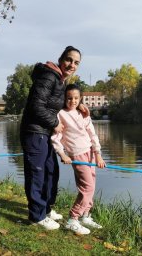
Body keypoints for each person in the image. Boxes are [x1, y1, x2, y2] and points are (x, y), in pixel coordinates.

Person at [20, 46, 88, 230]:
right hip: (34, 132)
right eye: (69, 59)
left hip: (45, 133)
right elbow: (36, 106)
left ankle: (46, 209)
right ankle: (36, 216)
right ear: (61, 59)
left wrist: (79, 105)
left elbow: (60, 103)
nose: (72, 64)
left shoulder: (60, 80)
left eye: (76, 62)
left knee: (51, 172)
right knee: (37, 173)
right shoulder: (49, 76)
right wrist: (54, 123)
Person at [51, 84, 106, 235]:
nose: (73, 101)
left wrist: (98, 153)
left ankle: (85, 215)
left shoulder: (83, 113)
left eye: (76, 98)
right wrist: (62, 154)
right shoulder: (61, 114)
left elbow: (92, 133)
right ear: (64, 98)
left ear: (80, 98)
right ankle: (73, 218)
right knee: (87, 188)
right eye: (69, 98)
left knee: (91, 186)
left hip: (90, 153)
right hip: (77, 154)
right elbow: (56, 137)